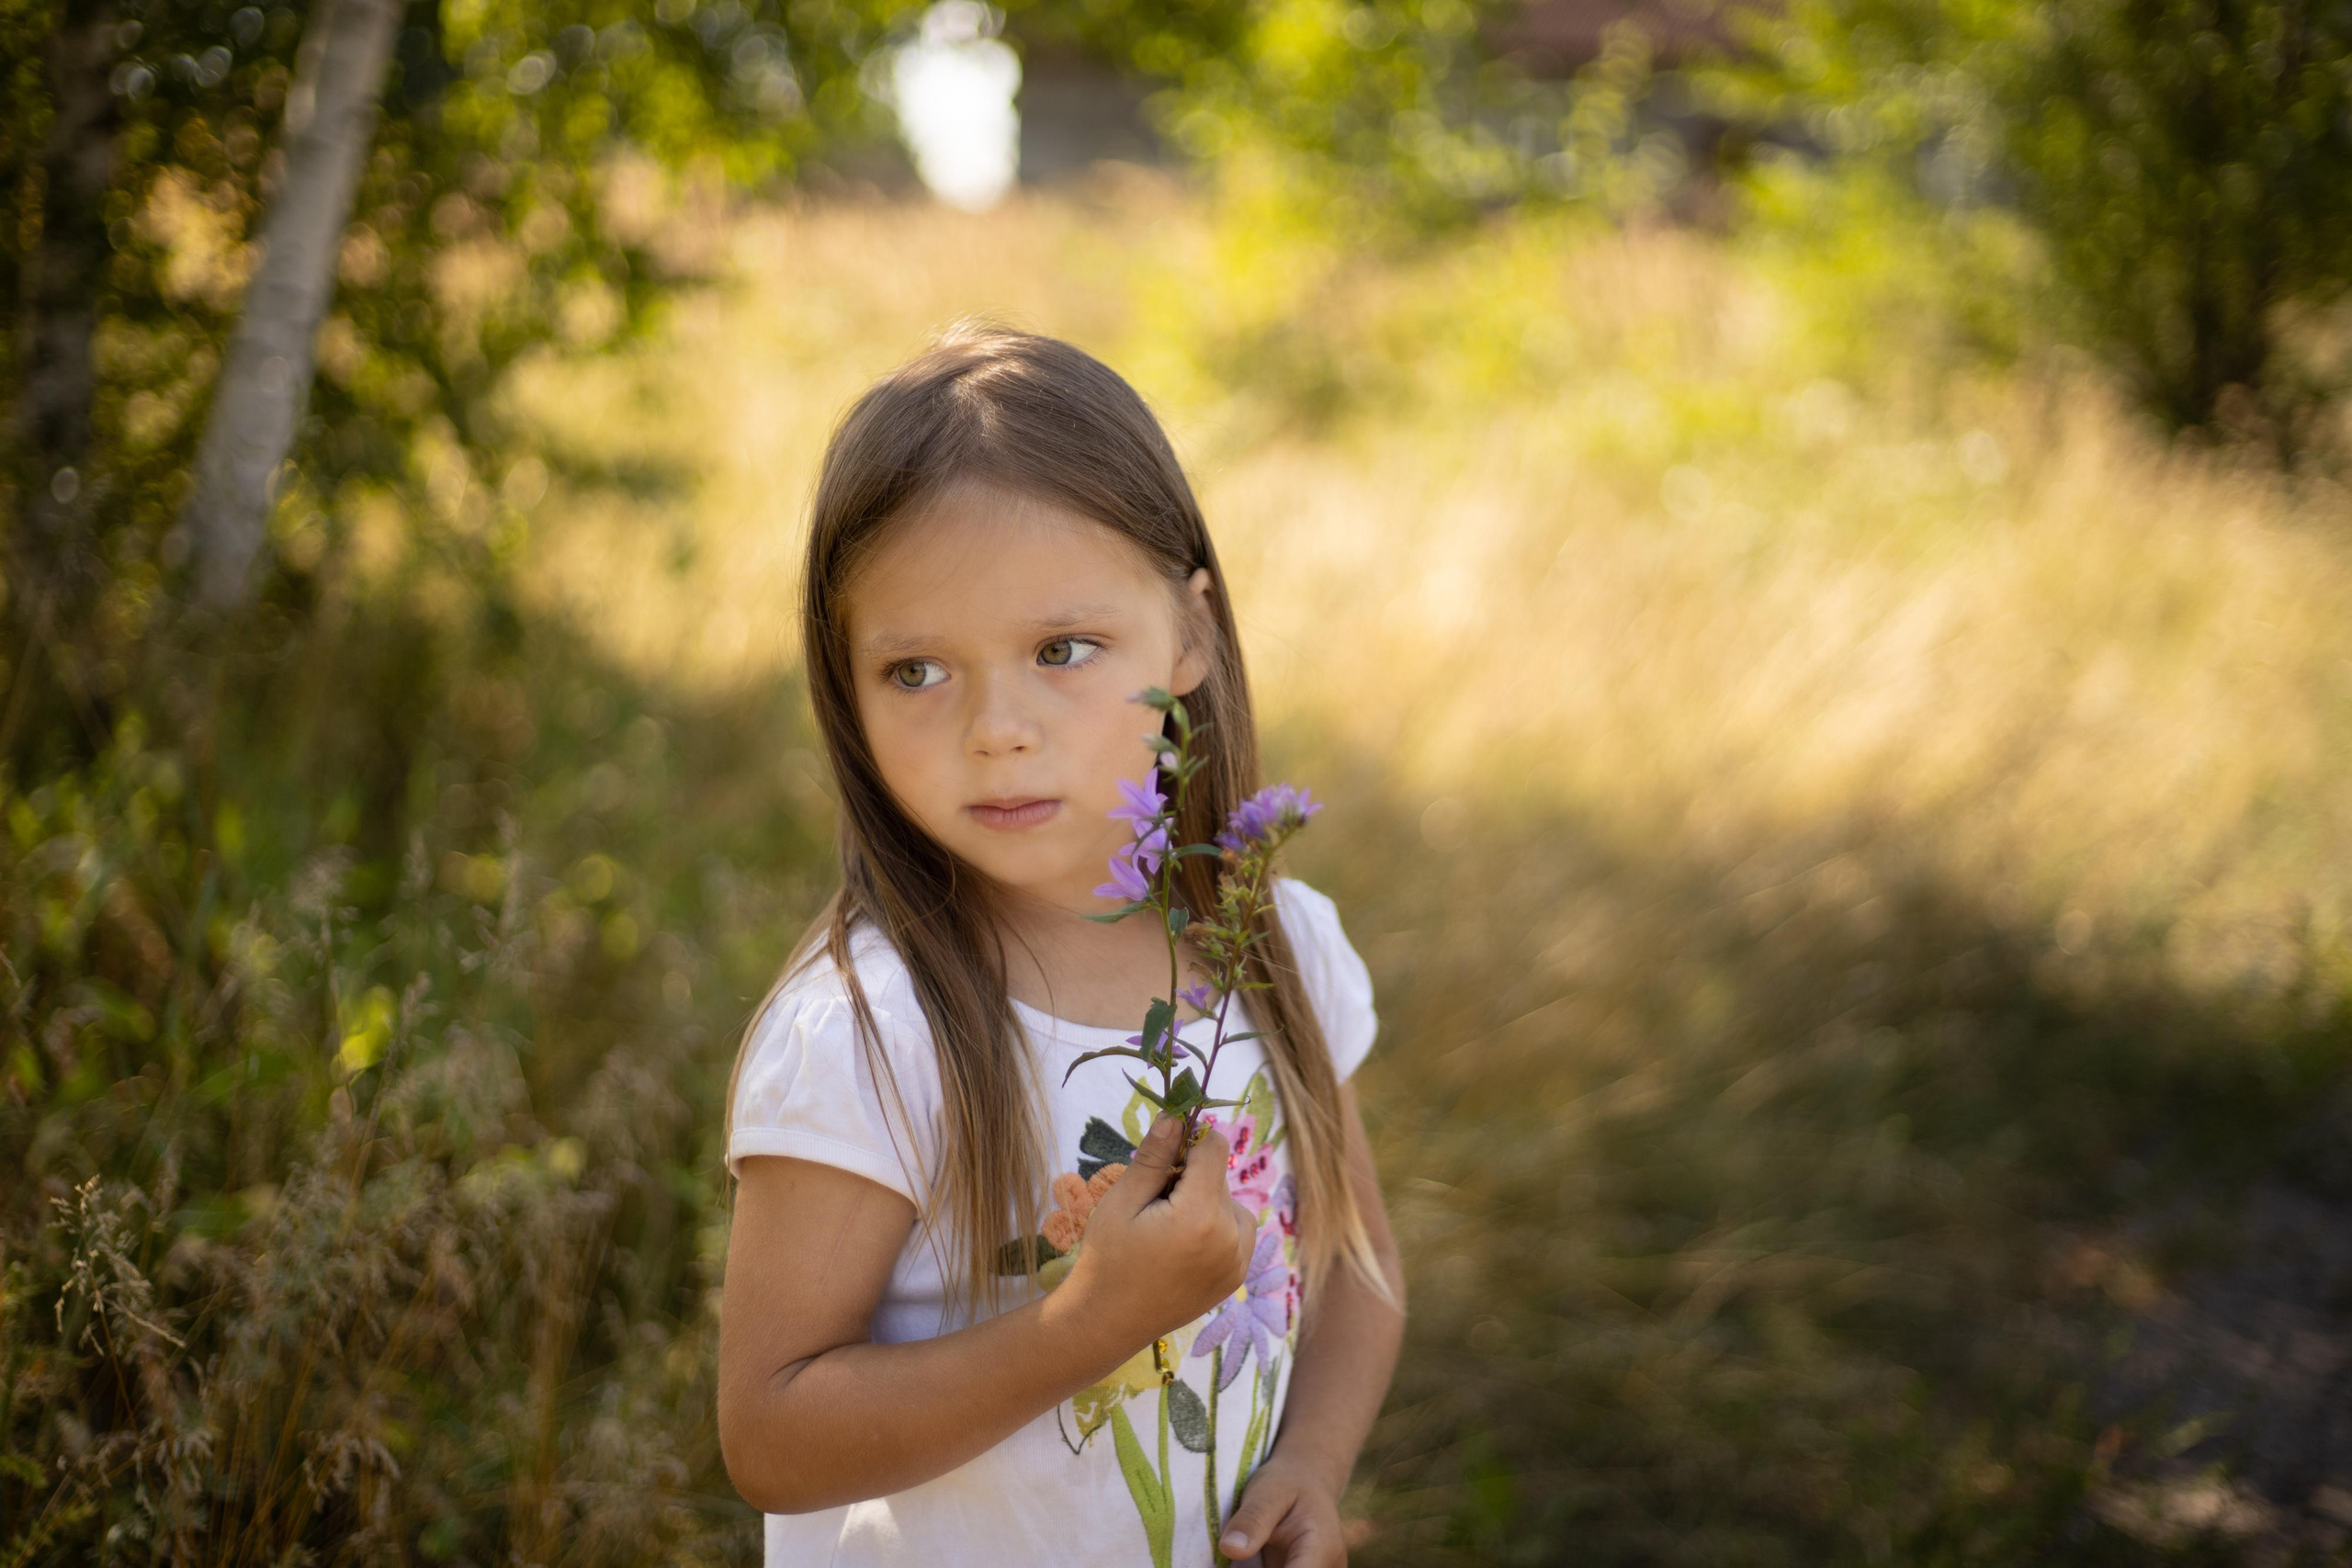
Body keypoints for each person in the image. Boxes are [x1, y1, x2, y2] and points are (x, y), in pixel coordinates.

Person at [717, 325, 1407, 1568]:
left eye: (1062, 651)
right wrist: (1087, 1326)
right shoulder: (871, 1030)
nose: (997, 730)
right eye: (917, 669)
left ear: (1188, 636)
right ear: (845, 686)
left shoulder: (1277, 945)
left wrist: (1309, 1462)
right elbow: (770, 1434)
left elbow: (1354, 1260)